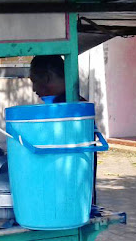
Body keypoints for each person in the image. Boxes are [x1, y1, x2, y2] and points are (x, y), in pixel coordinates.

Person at [29, 55, 97, 205]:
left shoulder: (63, 110)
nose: (34, 89)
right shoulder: (81, 105)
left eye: (34, 81)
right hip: (79, 198)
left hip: (61, 198)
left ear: (47, 78)